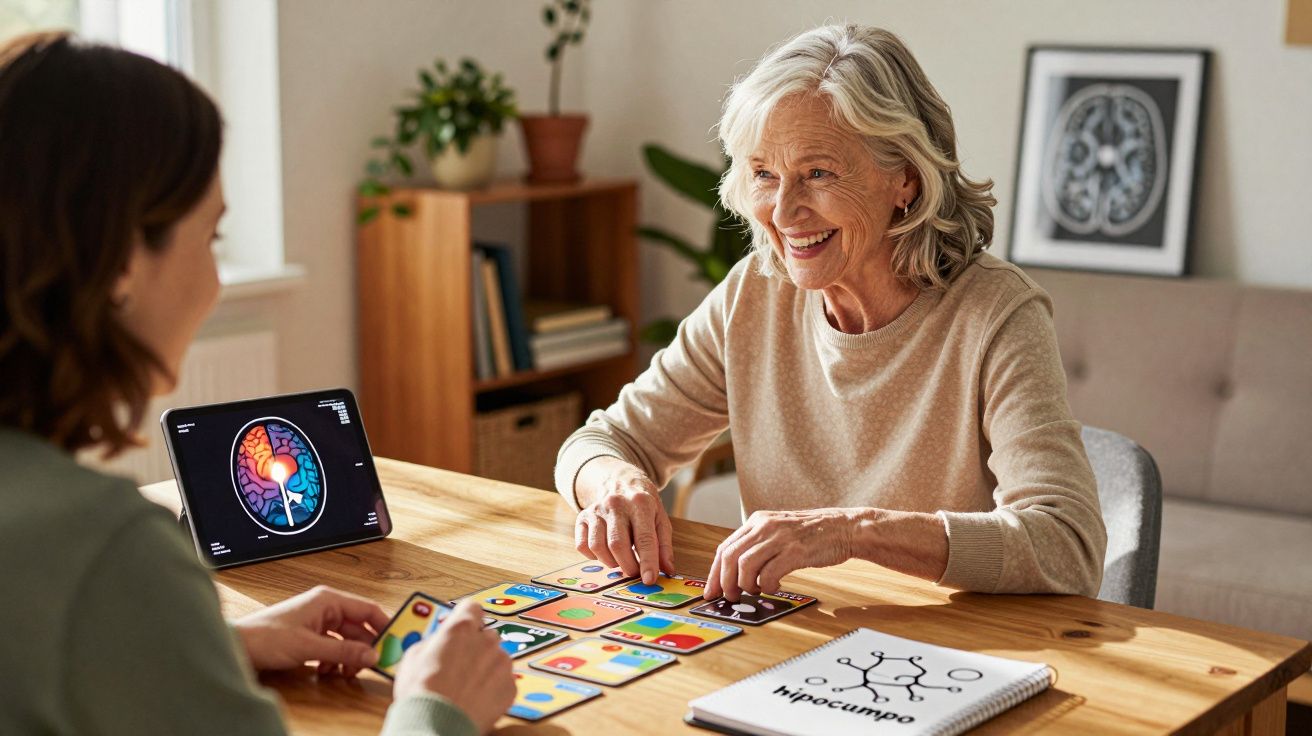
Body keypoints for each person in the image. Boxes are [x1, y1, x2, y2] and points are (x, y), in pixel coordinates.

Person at [0, 32, 513, 735]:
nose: (213, 281)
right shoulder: (108, 550)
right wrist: (435, 710)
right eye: (210, 238)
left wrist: (209, 649)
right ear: (122, 259)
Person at [555, 24, 1107, 603]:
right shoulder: (753, 295)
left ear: (907, 180)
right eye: (765, 173)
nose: (785, 211)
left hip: (949, 653)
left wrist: (850, 532)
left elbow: (1067, 545)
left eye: (818, 173)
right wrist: (618, 485)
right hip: (787, 634)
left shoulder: (996, 313)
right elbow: (602, 442)